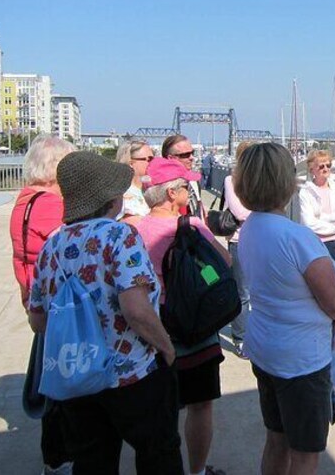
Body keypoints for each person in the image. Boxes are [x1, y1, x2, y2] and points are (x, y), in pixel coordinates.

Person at [28, 151, 182, 475]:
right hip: (129, 375)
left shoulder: (50, 247)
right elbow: (136, 309)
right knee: (158, 454)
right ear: (108, 199)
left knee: (92, 462)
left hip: (78, 377)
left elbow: (38, 320)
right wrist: (166, 347)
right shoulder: (119, 236)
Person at [234, 142, 335, 475]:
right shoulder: (298, 237)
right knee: (305, 451)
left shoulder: (250, 228)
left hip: (266, 349)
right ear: (286, 182)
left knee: (276, 438)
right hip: (301, 359)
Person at [137, 157, 230, 475]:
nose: (191, 190)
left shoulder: (136, 227)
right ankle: (197, 470)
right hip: (192, 326)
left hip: (152, 322)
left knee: (161, 405)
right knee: (200, 404)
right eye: (186, 186)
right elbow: (225, 262)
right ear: (172, 193)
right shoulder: (190, 227)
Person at [8, 135, 76, 474]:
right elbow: (71, 248)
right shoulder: (50, 204)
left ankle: (57, 457)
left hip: (36, 300)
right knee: (64, 388)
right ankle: (60, 459)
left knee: (55, 382)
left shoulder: (25, 200)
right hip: (56, 306)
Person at [299, 149, 335, 278]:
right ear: (312, 170)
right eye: (321, 166)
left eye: (328, 165)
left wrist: (323, 218)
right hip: (316, 244)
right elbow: (309, 223)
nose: (325, 169)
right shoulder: (306, 192)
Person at [222, 141, 253, 358]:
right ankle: (240, 337)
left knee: (259, 292)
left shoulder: (261, 180)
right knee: (243, 292)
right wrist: (263, 212)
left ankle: (255, 335)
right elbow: (240, 212)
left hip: (260, 239)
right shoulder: (230, 180)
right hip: (239, 240)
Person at [162, 134, 204, 218]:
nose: (191, 157)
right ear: (171, 158)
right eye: (185, 155)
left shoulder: (193, 181)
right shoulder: (161, 185)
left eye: (192, 153)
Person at [115, 140, 155, 226]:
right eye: (149, 159)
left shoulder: (153, 188)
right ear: (131, 163)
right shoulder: (120, 194)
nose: (153, 163)